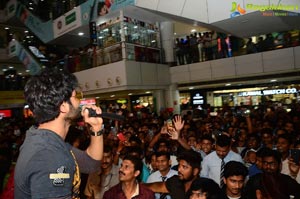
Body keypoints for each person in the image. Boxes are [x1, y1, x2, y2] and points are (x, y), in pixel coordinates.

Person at [14, 69, 104, 199]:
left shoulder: (46, 140)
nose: (80, 101)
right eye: (76, 96)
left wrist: (96, 128)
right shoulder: (48, 155)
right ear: (63, 107)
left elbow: (91, 164)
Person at [145, 150, 219, 199]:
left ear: (195, 171)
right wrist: (136, 185)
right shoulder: (175, 181)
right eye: (179, 166)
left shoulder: (206, 186)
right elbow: (157, 186)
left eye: (184, 167)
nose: (179, 169)